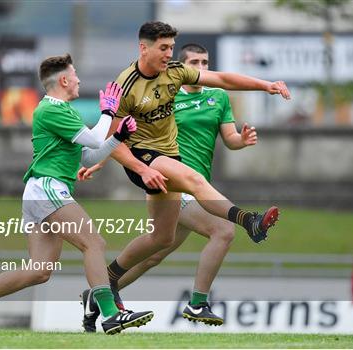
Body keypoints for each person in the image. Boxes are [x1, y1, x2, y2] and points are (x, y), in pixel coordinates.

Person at [80, 21, 290, 330]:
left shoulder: (177, 74)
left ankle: (104, 286)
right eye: (163, 48)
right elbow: (113, 140)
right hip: (145, 160)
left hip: (167, 161)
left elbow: (221, 79)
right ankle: (249, 221)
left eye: (171, 48)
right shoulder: (125, 85)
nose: (168, 54)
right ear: (144, 48)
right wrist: (140, 168)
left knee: (160, 240)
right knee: (204, 195)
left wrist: (265, 85)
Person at [0, 53, 153, 335]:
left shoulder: (64, 111)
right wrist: (108, 112)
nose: (80, 79)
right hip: (48, 188)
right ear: (65, 79)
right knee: (93, 243)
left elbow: (89, 156)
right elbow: (94, 138)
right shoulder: (51, 110)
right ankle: (109, 314)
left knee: (39, 271)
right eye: (76, 74)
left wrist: (118, 138)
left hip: (40, 191)